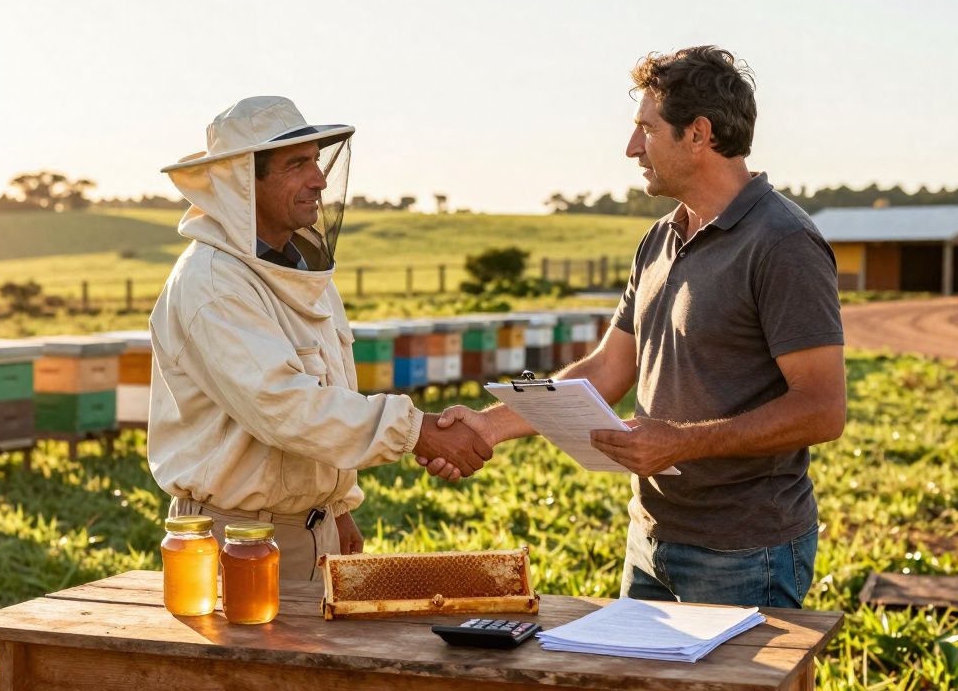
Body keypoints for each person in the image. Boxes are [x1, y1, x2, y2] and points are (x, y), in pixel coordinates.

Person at [433, 47, 846, 608]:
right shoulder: (659, 239)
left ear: (697, 134)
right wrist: (490, 426)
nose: (631, 148)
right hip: (650, 538)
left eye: (646, 130)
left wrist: (682, 442)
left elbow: (823, 408)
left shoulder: (783, 243)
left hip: (745, 552)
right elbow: (607, 369)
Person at [148, 96, 491, 581]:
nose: (320, 179)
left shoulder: (299, 271)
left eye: (316, 160)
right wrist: (416, 430)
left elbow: (329, 389)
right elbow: (283, 405)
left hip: (312, 531)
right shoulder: (213, 283)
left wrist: (338, 507)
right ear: (243, 182)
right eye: (297, 165)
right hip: (236, 539)